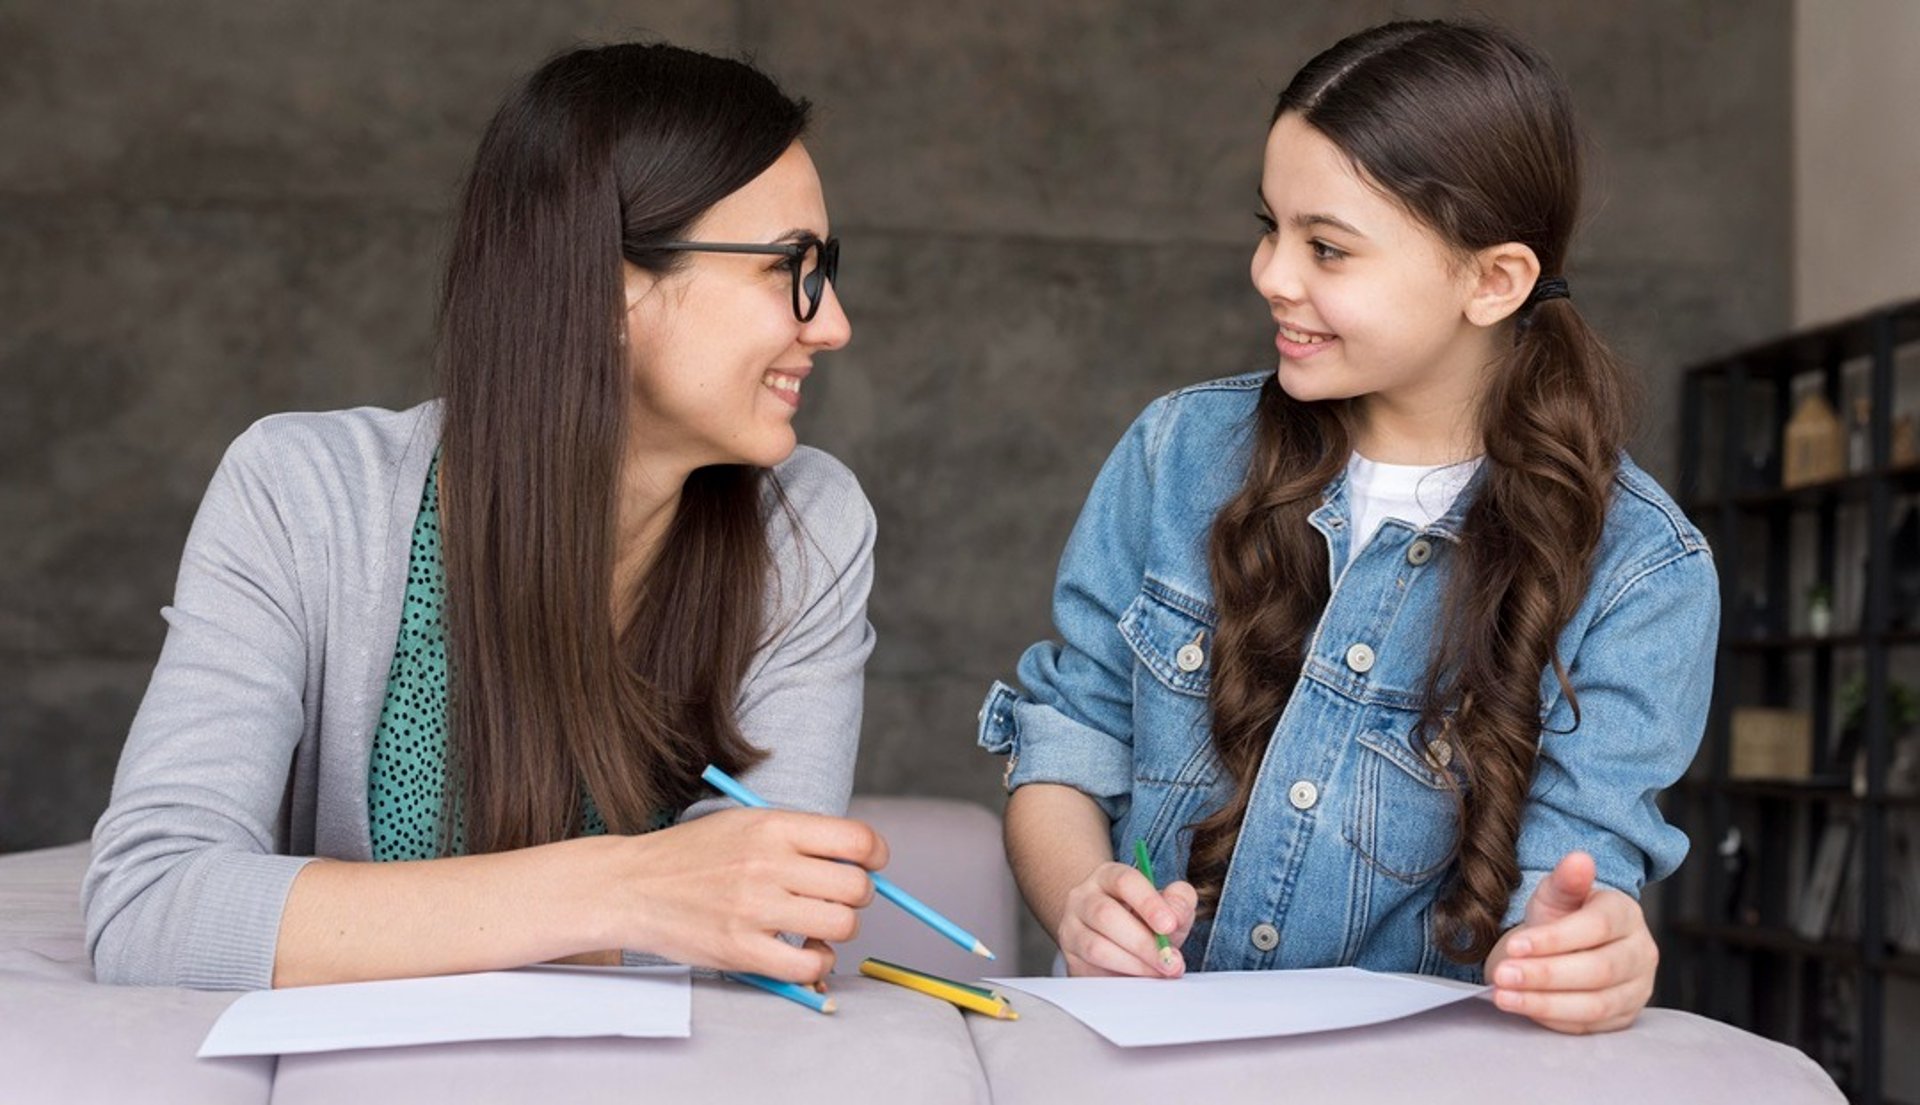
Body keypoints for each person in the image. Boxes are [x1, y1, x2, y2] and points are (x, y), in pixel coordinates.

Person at [83, 42, 886, 991]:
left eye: (825, 266)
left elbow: (759, 931)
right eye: (789, 266)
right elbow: (150, 907)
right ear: (610, 281)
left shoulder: (812, 528)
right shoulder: (300, 494)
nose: (830, 321)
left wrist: (361, 924)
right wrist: (629, 889)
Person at [979, 19, 1716, 1034]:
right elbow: (1066, 743)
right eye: (1270, 226)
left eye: (1326, 246)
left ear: (1493, 280)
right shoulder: (1178, 452)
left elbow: (1581, 878)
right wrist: (1082, 893)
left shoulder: (1645, 572)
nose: (1273, 274)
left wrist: (1586, 949)